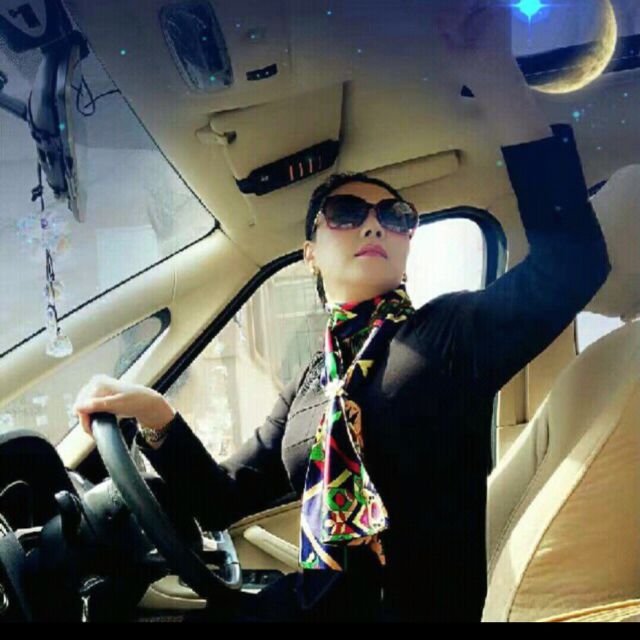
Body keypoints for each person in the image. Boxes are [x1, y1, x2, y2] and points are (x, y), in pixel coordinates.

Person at [73, 2, 611, 622]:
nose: (374, 224)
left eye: (395, 217)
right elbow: (223, 500)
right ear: (310, 252)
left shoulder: (447, 335)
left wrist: (495, 75)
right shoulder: (313, 381)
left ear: (407, 244)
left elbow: (573, 263)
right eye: (348, 214)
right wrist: (155, 415)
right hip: (314, 605)